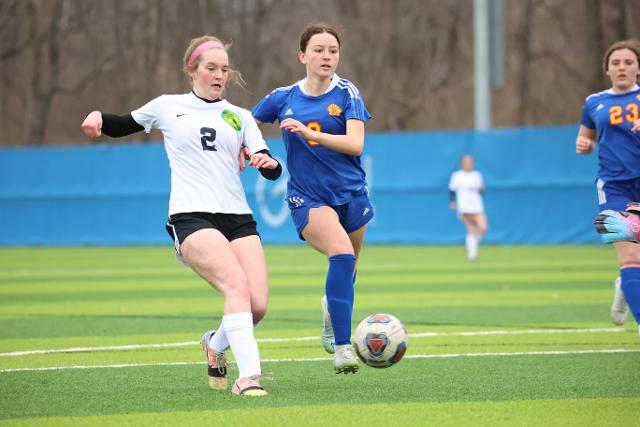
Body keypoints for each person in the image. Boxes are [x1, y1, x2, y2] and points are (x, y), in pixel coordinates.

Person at [80, 35, 282, 396]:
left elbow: (268, 164)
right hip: (191, 217)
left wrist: (268, 163)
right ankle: (248, 378)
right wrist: (98, 116)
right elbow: (122, 124)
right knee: (235, 285)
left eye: (224, 70)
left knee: (258, 305)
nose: (219, 75)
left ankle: (215, 345)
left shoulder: (242, 117)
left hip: (238, 217)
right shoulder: (167, 106)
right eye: (211, 68)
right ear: (192, 70)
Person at [251, 23, 373, 374]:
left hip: (351, 194)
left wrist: (305, 132)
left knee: (349, 269)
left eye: (332, 50)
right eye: (318, 50)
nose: (326, 56)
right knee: (342, 253)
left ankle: (330, 311)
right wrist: (259, 153)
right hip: (307, 197)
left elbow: (355, 144)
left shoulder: (348, 93)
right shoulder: (284, 97)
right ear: (302, 55)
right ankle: (344, 347)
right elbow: (245, 122)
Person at [576, 39, 640, 333]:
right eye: (616, 63)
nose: (622, 67)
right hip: (614, 188)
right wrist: (584, 143)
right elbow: (587, 137)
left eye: (628, 62)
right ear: (607, 70)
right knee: (630, 257)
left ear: (638, 68)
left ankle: (625, 287)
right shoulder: (594, 102)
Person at [448, 154, 488, 262]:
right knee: (471, 230)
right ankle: (472, 256)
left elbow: (481, 191)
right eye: (466, 162)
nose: (468, 164)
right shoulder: (457, 175)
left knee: (483, 228)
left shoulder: (477, 175)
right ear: (461, 164)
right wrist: (452, 202)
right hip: (464, 207)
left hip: (477, 206)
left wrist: (481, 190)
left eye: (470, 162)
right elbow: (452, 190)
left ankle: (470, 245)